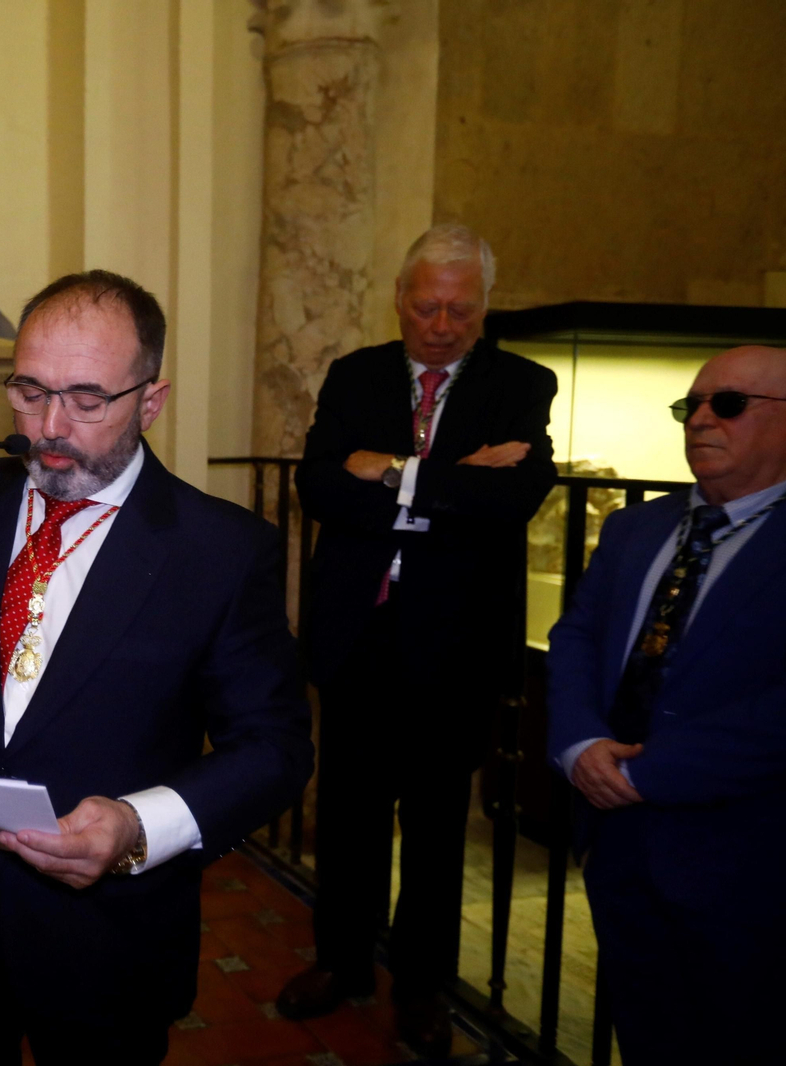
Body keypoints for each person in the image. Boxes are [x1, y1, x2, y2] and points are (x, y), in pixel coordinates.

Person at [0, 270, 313, 1065]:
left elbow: (276, 748)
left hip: (106, 939)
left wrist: (134, 827)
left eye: (87, 400)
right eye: (28, 391)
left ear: (149, 402)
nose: (49, 426)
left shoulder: (219, 550)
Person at [282, 224, 558, 1054]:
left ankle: (422, 985)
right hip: (357, 633)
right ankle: (341, 962)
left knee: (439, 827)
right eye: (427, 305)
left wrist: (391, 472)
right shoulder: (355, 374)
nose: (442, 325)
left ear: (484, 309)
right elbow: (321, 486)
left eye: (460, 310)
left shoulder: (521, 383)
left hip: (457, 644)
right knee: (350, 814)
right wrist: (453, 479)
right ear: (400, 299)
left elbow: (512, 501)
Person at [548, 345, 786, 1065]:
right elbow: (576, 637)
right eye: (693, 406)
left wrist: (647, 774)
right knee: (648, 1030)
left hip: (746, 856)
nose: (702, 420)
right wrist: (580, 744)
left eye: (730, 404)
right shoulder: (635, 527)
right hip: (618, 847)